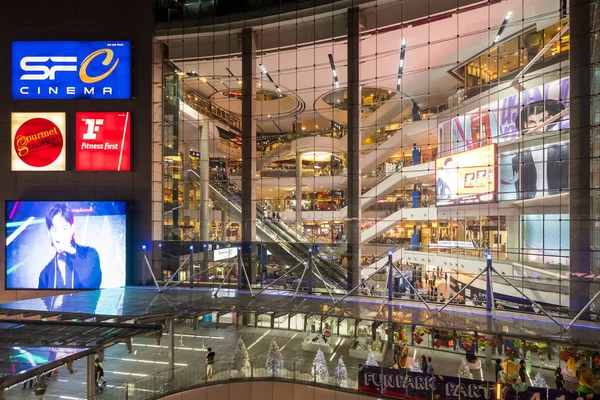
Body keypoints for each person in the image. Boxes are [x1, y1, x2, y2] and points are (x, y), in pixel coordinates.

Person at [38, 203, 102, 289]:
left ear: (72, 229)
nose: (60, 235)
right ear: (49, 234)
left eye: (64, 228)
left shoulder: (90, 254)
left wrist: (69, 251)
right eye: (55, 230)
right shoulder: (45, 275)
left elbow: (88, 284)